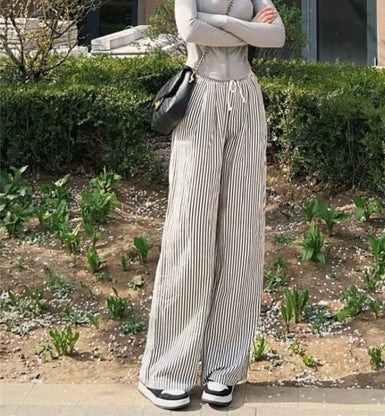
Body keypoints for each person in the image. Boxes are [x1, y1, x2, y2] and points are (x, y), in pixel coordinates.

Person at [138, 0, 285, 410]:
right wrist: (244, 25)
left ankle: (224, 369)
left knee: (241, 235)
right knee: (191, 231)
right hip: (201, 96)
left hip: (247, 101)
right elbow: (189, 29)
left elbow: (277, 36)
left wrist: (215, 21)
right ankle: (166, 371)